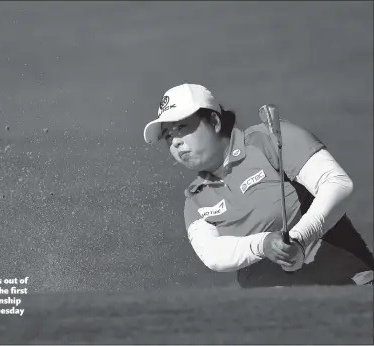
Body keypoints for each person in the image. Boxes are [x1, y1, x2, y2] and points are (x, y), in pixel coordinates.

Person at [143, 83, 374, 287]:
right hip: (278, 322)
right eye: (167, 136)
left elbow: (337, 184)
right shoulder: (195, 199)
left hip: (350, 290)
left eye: (182, 127)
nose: (175, 142)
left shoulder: (271, 139)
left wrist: (299, 241)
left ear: (214, 121)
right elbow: (212, 254)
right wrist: (263, 244)